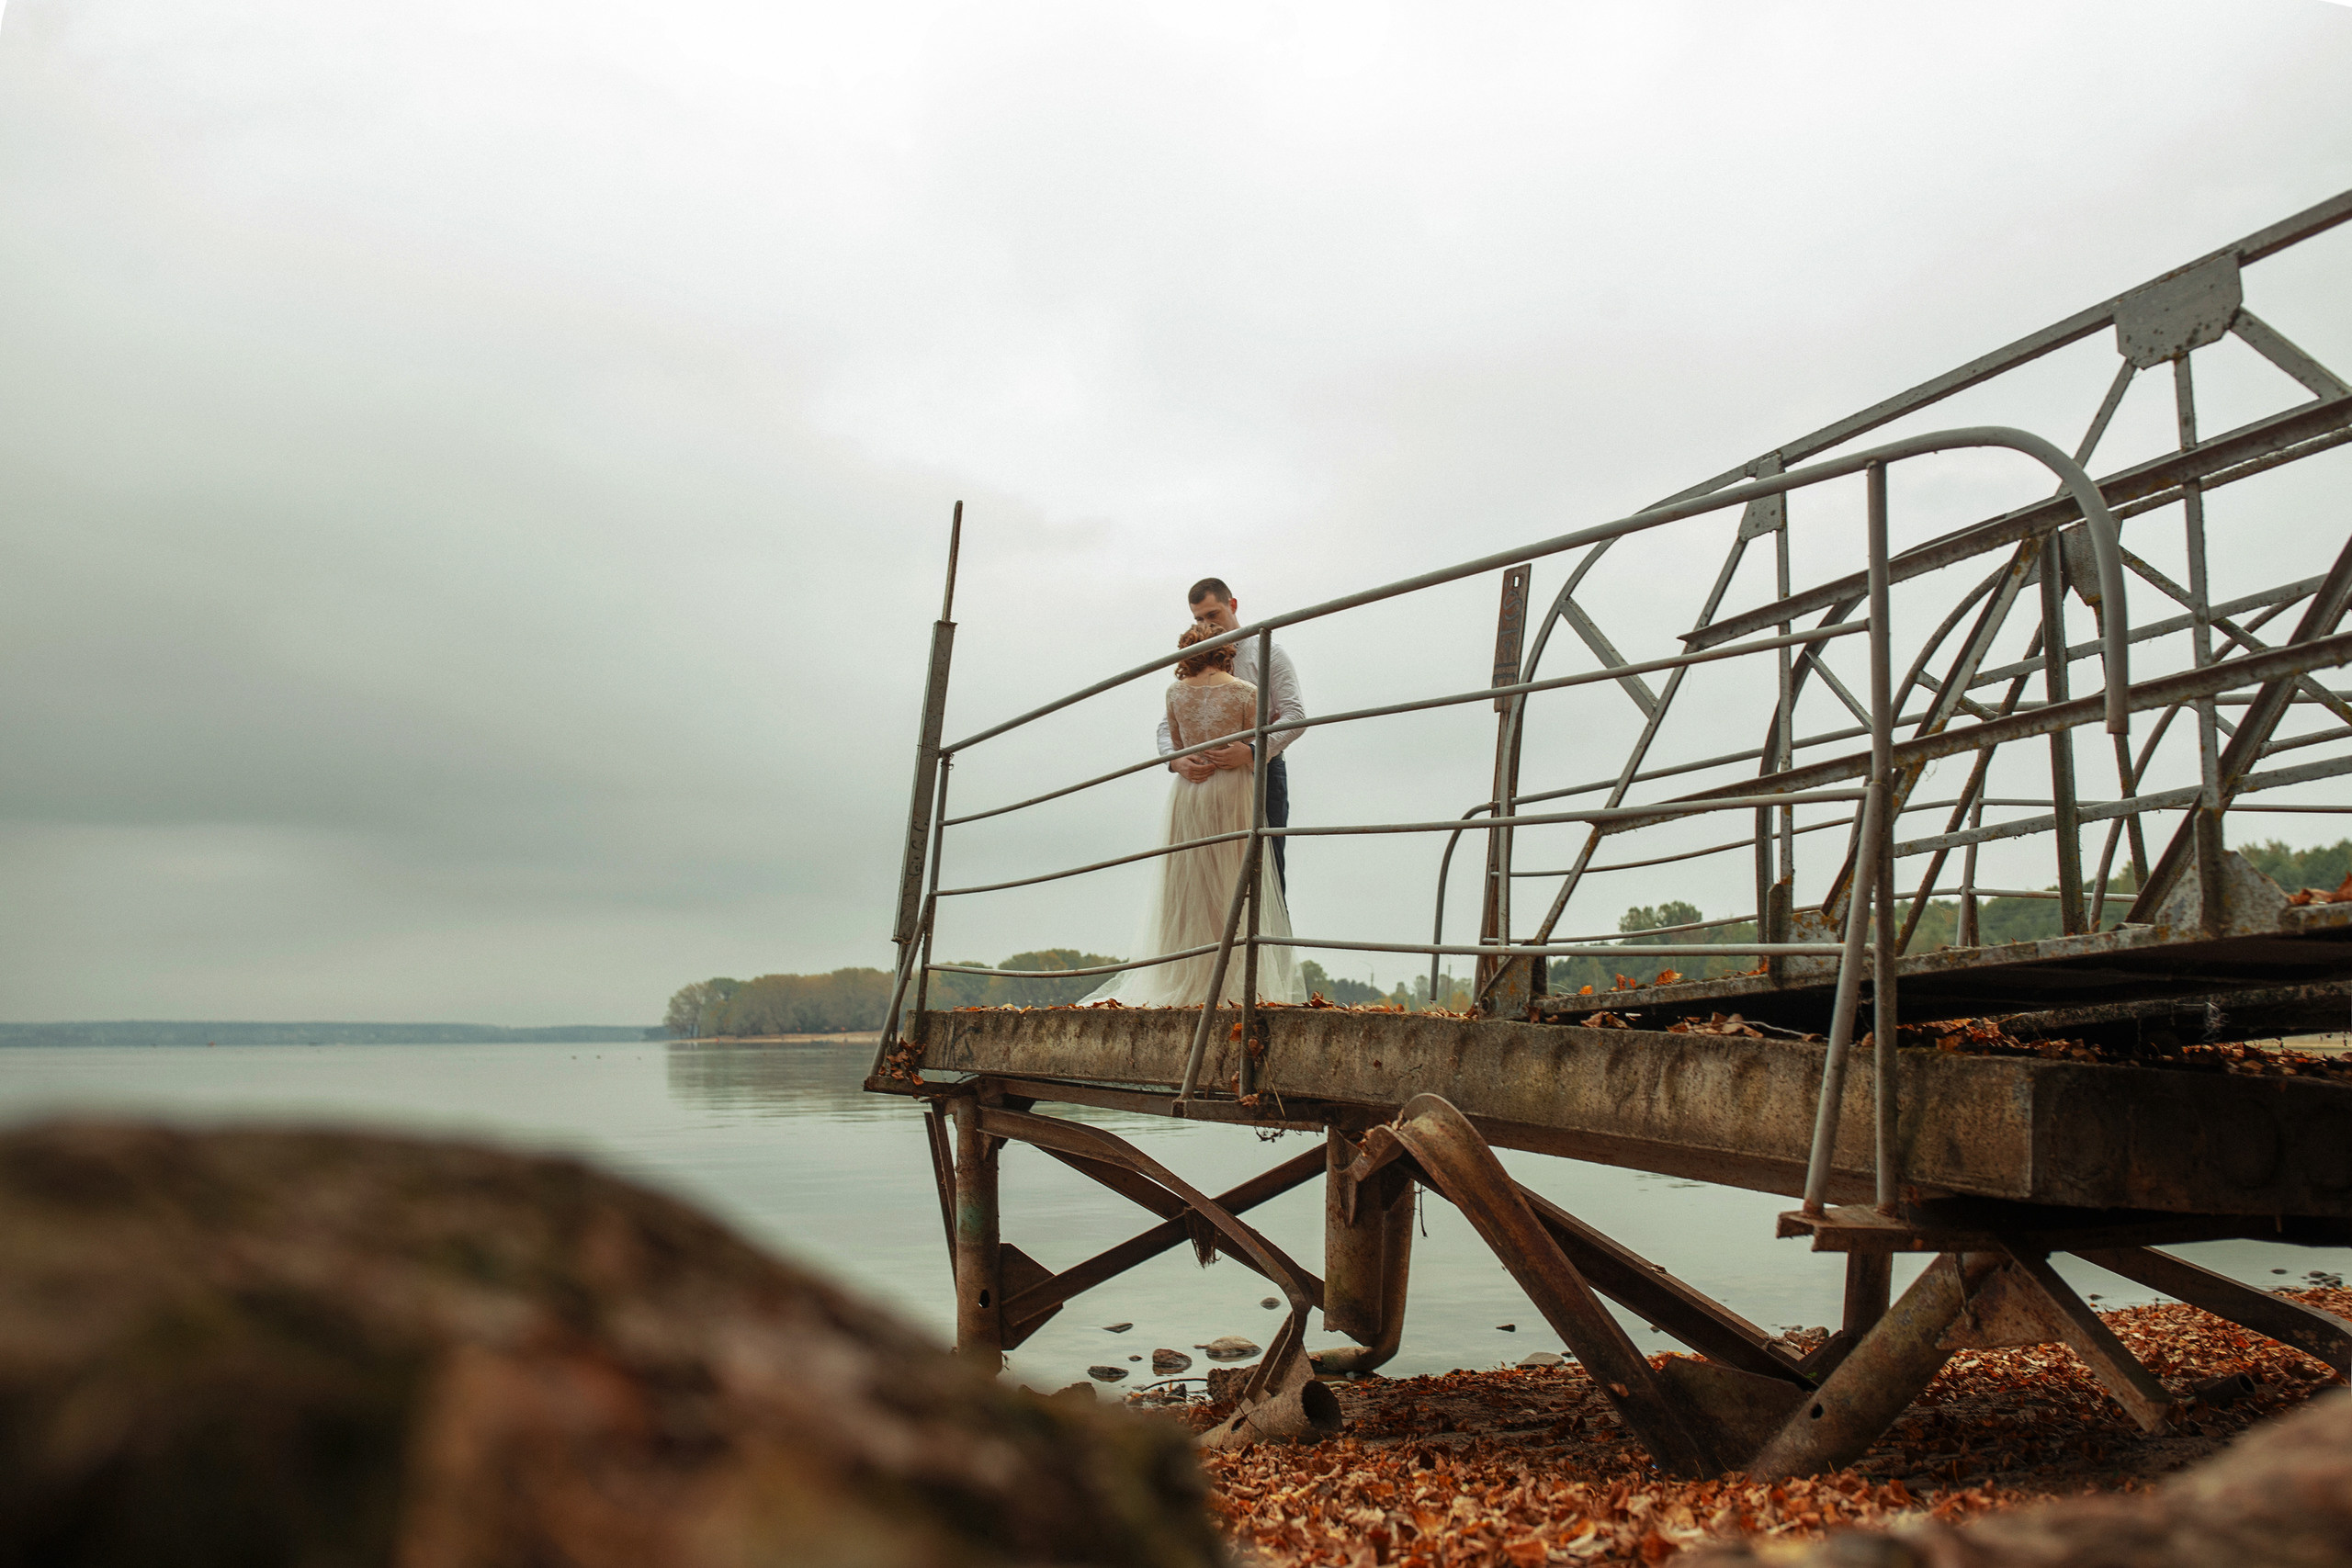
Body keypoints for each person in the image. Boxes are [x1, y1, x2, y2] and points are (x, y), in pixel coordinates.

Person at [1082, 619, 1305, 1008]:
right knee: (1234, 880)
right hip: (1232, 788)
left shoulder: (1174, 693)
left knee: (1188, 884)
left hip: (1190, 791)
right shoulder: (1246, 692)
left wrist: (1184, 760)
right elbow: (1253, 741)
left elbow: (1177, 740)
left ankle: (1184, 971)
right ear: (1226, 651)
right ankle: (1232, 979)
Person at [1156, 578, 1306, 889]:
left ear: (1232, 605)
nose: (1207, 625)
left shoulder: (1268, 652)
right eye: (1199, 618)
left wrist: (1251, 751)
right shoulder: (1196, 661)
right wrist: (1174, 760)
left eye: (1213, 615)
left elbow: (1295, 715)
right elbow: (1168, 722)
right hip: (1204, 782)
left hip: (1261, 772)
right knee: (1203, 877)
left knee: (1265, 872)